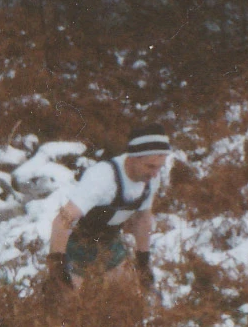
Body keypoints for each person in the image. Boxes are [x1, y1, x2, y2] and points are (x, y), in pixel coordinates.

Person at [46, 123, 171, 291]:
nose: (156, 173)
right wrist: (57, 270)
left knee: (131, 297)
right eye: (150, 166)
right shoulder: (102, 177)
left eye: (159, 167)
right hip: (77, 248)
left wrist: (143, 262)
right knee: (69, 305)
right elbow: (62, 220)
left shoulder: (150, 178)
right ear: (133, 157)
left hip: (111, 244)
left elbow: (142, 219)